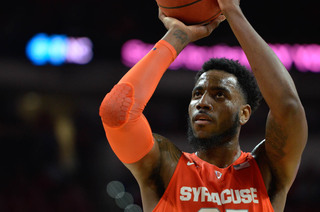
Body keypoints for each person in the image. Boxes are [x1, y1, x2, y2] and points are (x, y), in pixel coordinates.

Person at [99, 0, 308, 211]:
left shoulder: (266, 169)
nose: (202, 103)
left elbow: (288, 107)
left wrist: (233, 12)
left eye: (219, 95)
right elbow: (118, 111)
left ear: (244, 113)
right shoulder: (165, 167)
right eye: (197, 94)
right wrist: (177, 37)